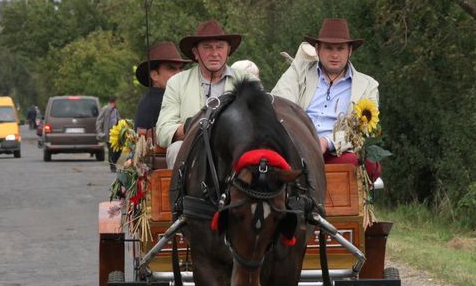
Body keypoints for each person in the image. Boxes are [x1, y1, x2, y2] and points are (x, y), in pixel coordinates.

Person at [271, 18, 381, 180]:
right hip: (296, 145)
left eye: (340, 48)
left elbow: (361, 130)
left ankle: (343, 203)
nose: (335, 54)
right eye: (328, 48)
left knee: (363, 162)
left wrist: (325, 142)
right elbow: (279, 103)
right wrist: (302, 140)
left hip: (336, 151)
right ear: (317, 49)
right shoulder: (298, 70)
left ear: (350, 51)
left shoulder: (367, 85)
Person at [155, 19, 257, 168]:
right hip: (193, 151)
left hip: (236, 150)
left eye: (220, 47)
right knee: (176, 149)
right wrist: (194, 126)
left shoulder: (248, 81)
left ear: (228, 51)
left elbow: (261, 123)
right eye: (207, 47)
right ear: (195, 53)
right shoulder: (177, 83)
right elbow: (163, 131)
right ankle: (183, 192)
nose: (214, 53)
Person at [133, 42, 190, 138]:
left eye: (181, 68)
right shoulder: (164, 100)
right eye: (171, 68)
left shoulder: (148, 99)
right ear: (154, 75)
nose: (179, 73)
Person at [95, 96, 120, 171]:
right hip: (108, 134)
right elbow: (99, 121)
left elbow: (119, 119)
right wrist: (99, 132)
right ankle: (112, 166)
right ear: (115, 101)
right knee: (111, 150)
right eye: (117, 101)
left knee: (118, 150)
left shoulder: (115, 110)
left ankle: (113, 163)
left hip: (115, 133)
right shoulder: (105, 109)